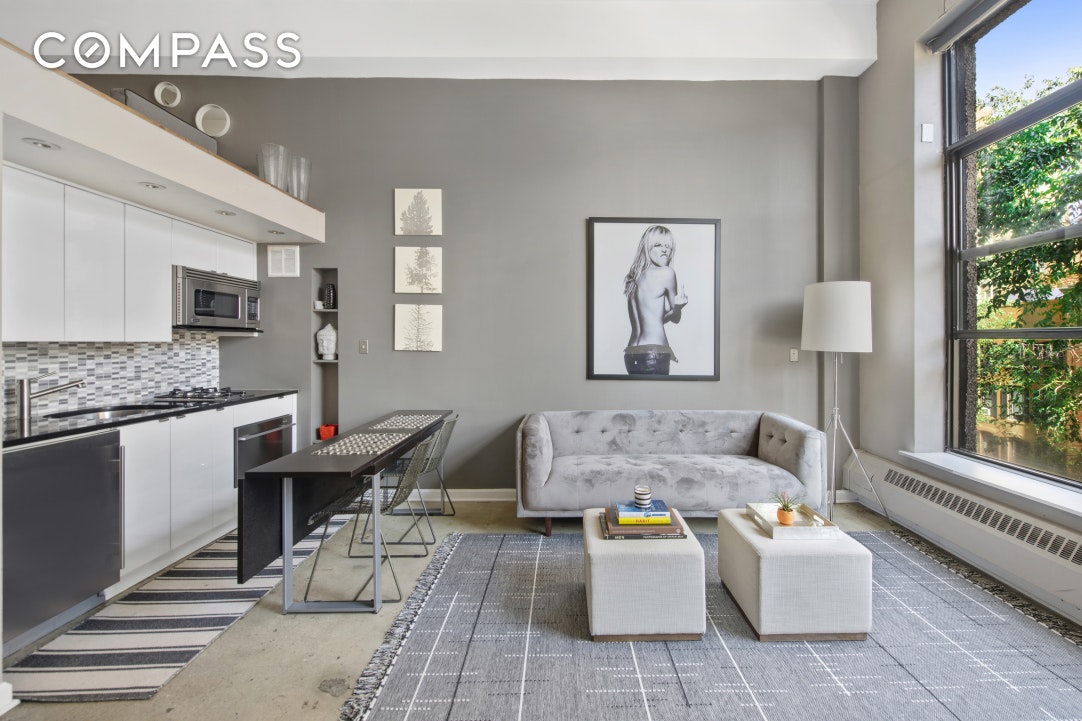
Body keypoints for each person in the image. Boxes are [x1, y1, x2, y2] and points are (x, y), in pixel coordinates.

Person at [623, 224, 688, 374]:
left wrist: (673, 310)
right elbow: (676, 319)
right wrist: (678, 308)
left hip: (631, 353)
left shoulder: (633, 277)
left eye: (668, 247)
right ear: (647, 247)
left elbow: (653, 320)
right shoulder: (667, 273)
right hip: (654, 353)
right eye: (658, 245)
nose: (665, 250)